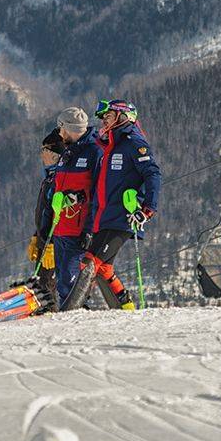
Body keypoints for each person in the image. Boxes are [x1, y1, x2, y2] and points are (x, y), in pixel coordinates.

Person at [61, 99, 161, 311]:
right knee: (104, 269)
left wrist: (147, 210)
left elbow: (152, 174)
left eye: (108, 116)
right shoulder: (108, 146)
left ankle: (70, 311)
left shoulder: (135, 143)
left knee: (90, 263)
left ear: (122, 117)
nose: (104, 121)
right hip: (104, 217)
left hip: (123, 218)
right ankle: (127, 310)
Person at [51, 107, 107, 309]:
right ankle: (67, 323)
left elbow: (98, 194)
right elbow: (56, 188)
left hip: (79, 229)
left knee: (72, 283)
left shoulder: (94, 152)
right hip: (60, 228)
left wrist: (90, 229)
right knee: (62, 282)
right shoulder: (67, 153)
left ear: (68, 128)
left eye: (60, 128)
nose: (59, 133)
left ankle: (76, 322)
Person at [28, 128, 66, 305]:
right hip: (45, 239)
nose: (42, 156)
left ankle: (51, 314)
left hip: (55, 241)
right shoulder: (48, 178)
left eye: (46, 152)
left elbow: (58, 214)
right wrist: (37, 237)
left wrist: (50, 243)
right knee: (42, 284)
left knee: (48, 285)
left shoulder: (60, 179)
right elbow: (43, 212)